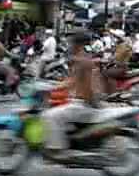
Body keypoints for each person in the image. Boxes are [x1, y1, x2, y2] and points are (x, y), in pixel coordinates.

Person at [42, 31, 100, 160]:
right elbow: (71, 81)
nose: (69, 45)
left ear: (78, 44)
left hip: (83, 104)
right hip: (81, 101)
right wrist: (52, 85)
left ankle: (57, 150)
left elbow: (74, 83)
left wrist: (50, 87)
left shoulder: (82, 61)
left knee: (50, 115)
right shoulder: (82, 58)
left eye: (71, 43)